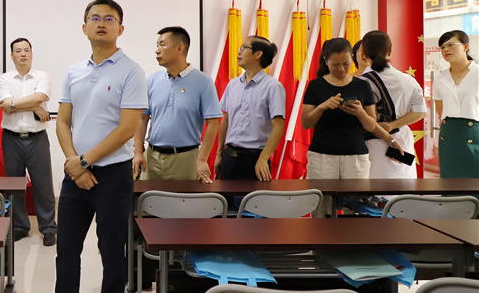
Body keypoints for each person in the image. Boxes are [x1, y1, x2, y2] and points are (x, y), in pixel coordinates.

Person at [29, 0, 147, 293]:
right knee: (66, 249)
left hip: (113, 177)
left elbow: (127, 128)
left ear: (120, 28)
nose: (101, 23)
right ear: (84, 27)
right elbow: (62, 121)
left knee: (111, 251)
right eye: (95, 18)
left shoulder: (131, 71)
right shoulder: (74, 71)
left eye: (109, 19)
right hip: (75, 176)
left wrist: (83, 161)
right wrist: (73, 163)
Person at [301, 37, 398, 181]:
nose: (341, 69)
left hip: (355, 156)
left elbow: (372, 125)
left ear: (351, 58)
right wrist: (322, 107)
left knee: (355, 195)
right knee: (322, 195)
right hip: (322, 156)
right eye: (335, 65)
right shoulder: (315, 85)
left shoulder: (362, 85)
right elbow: (306, 123)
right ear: (326, 61)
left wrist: (360, 113)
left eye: (346, 63)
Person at [133, 26, 221, 182]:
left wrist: (202, 159)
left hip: (185, 160)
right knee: (148, 198)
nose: (157, 50)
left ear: (180, 48)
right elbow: (142, 119)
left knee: (184, 198)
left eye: (162, 45)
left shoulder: (204, 82)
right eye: (157, 45)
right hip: (152, 158)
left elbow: (213, 123)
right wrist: (138, 152)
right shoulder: (152, 80)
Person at [0, 38, 58, 245]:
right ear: (12, 56)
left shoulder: (42, 76)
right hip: (11, 139)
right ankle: (20, 227)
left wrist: (16, 104)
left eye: (26, 50)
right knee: (14, 186)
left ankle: (48, 228)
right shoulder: (5, 79)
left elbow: (38, 98)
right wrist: (33, 105)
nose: (22, 54)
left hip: (37, 139)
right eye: (18, 51)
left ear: (31, 54)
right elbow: (5, 105)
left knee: (43, 186)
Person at [215, 35, 286, 181]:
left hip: (255, 160)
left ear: (258, 54)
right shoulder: (233, 84)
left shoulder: (273, 86)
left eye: (244, 48)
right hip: (229, 157)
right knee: (225, 196)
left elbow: (278, 126)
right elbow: (225, 120)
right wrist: (219, 154)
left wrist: (263, 158)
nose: (239, 52)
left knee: (254, 197)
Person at [359, 30, 426, 179]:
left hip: (372, 142)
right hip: (402, 139)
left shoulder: (361, 82)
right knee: (404, 186)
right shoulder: (408, 80)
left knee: (376, 187)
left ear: (363, 54)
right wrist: (392, 125)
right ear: (390, 52)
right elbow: (420, 112)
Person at [432, 30, 479, 178]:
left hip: (475, 132)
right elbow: (440, 111)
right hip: (449, 135)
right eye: (442, 47)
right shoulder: (440, 78)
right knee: (450, 181)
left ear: (466, 46)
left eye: (451, 45)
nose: (446, 50)